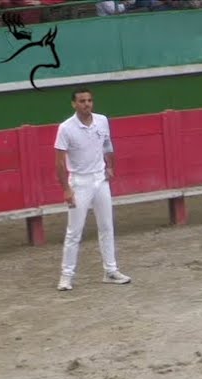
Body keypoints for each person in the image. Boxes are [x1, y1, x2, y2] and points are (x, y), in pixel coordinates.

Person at [54, 87, 131, 291]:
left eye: (89, 100)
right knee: (74, 231)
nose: (86, 104)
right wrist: (66, 189)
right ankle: (66, 276)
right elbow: (60, 162)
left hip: (100, 179)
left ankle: (110, 270)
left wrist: (111, 166)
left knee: (107, 226)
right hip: (79, 182)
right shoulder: (66, 128)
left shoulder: (102, 120)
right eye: (81, 101)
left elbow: (107, 145)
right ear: (74, 104)